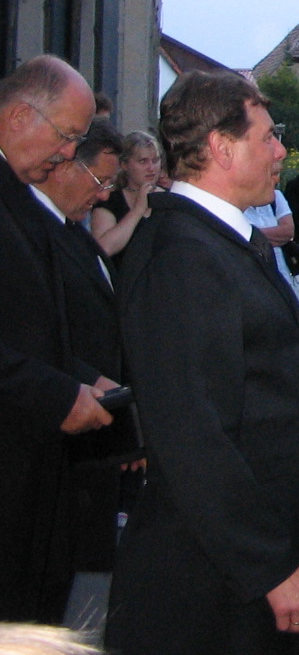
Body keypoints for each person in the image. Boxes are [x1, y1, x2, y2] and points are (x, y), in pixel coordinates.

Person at [106, 71, 299, 654]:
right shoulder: (183, 257)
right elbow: (190, 436)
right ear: (223, 148)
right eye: (268, 137)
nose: (280, 150)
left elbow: (229, 380)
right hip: (216, 587)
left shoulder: (212, 240)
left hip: (236, 567)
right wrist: (270, 565)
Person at [0, 56, 108, 625]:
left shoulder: (19, 193)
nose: (69, 154)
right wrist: (56, 393)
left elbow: (31, 326)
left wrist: (84, 379)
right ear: (20, 116)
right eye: (67, 137)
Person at [34, 121, 129, 601]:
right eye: (100, 182)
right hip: (64, 435)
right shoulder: (37, 235)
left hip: (95, 429)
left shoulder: (72, 233)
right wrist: (97, 385)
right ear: (66, 166)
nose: (104, 195)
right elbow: (38, 340)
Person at [87, 131, 161, 260]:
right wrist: (138, 210)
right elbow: (103, 249)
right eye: (143, 161)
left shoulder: (171, 198)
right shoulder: (110, 202)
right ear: (124, 165)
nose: (151, 168)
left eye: (155, 160)